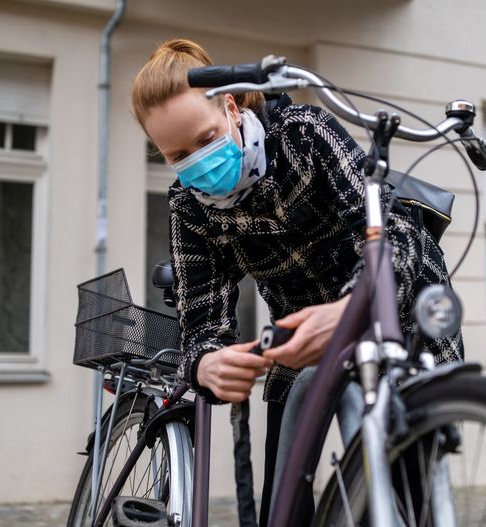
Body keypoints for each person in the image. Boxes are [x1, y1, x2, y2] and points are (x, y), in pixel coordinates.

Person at [130, 38, 463, 525]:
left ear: (231, 105)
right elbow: (200, 324)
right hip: (299, 333)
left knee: (406, 487)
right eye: (177, 155)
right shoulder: (188, 206)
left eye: (205, 140)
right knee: (283, 499)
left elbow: (395, 236)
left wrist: (355, 307)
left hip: (394, 304)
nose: (197, 162)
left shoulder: (305, 136)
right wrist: (205, 365)